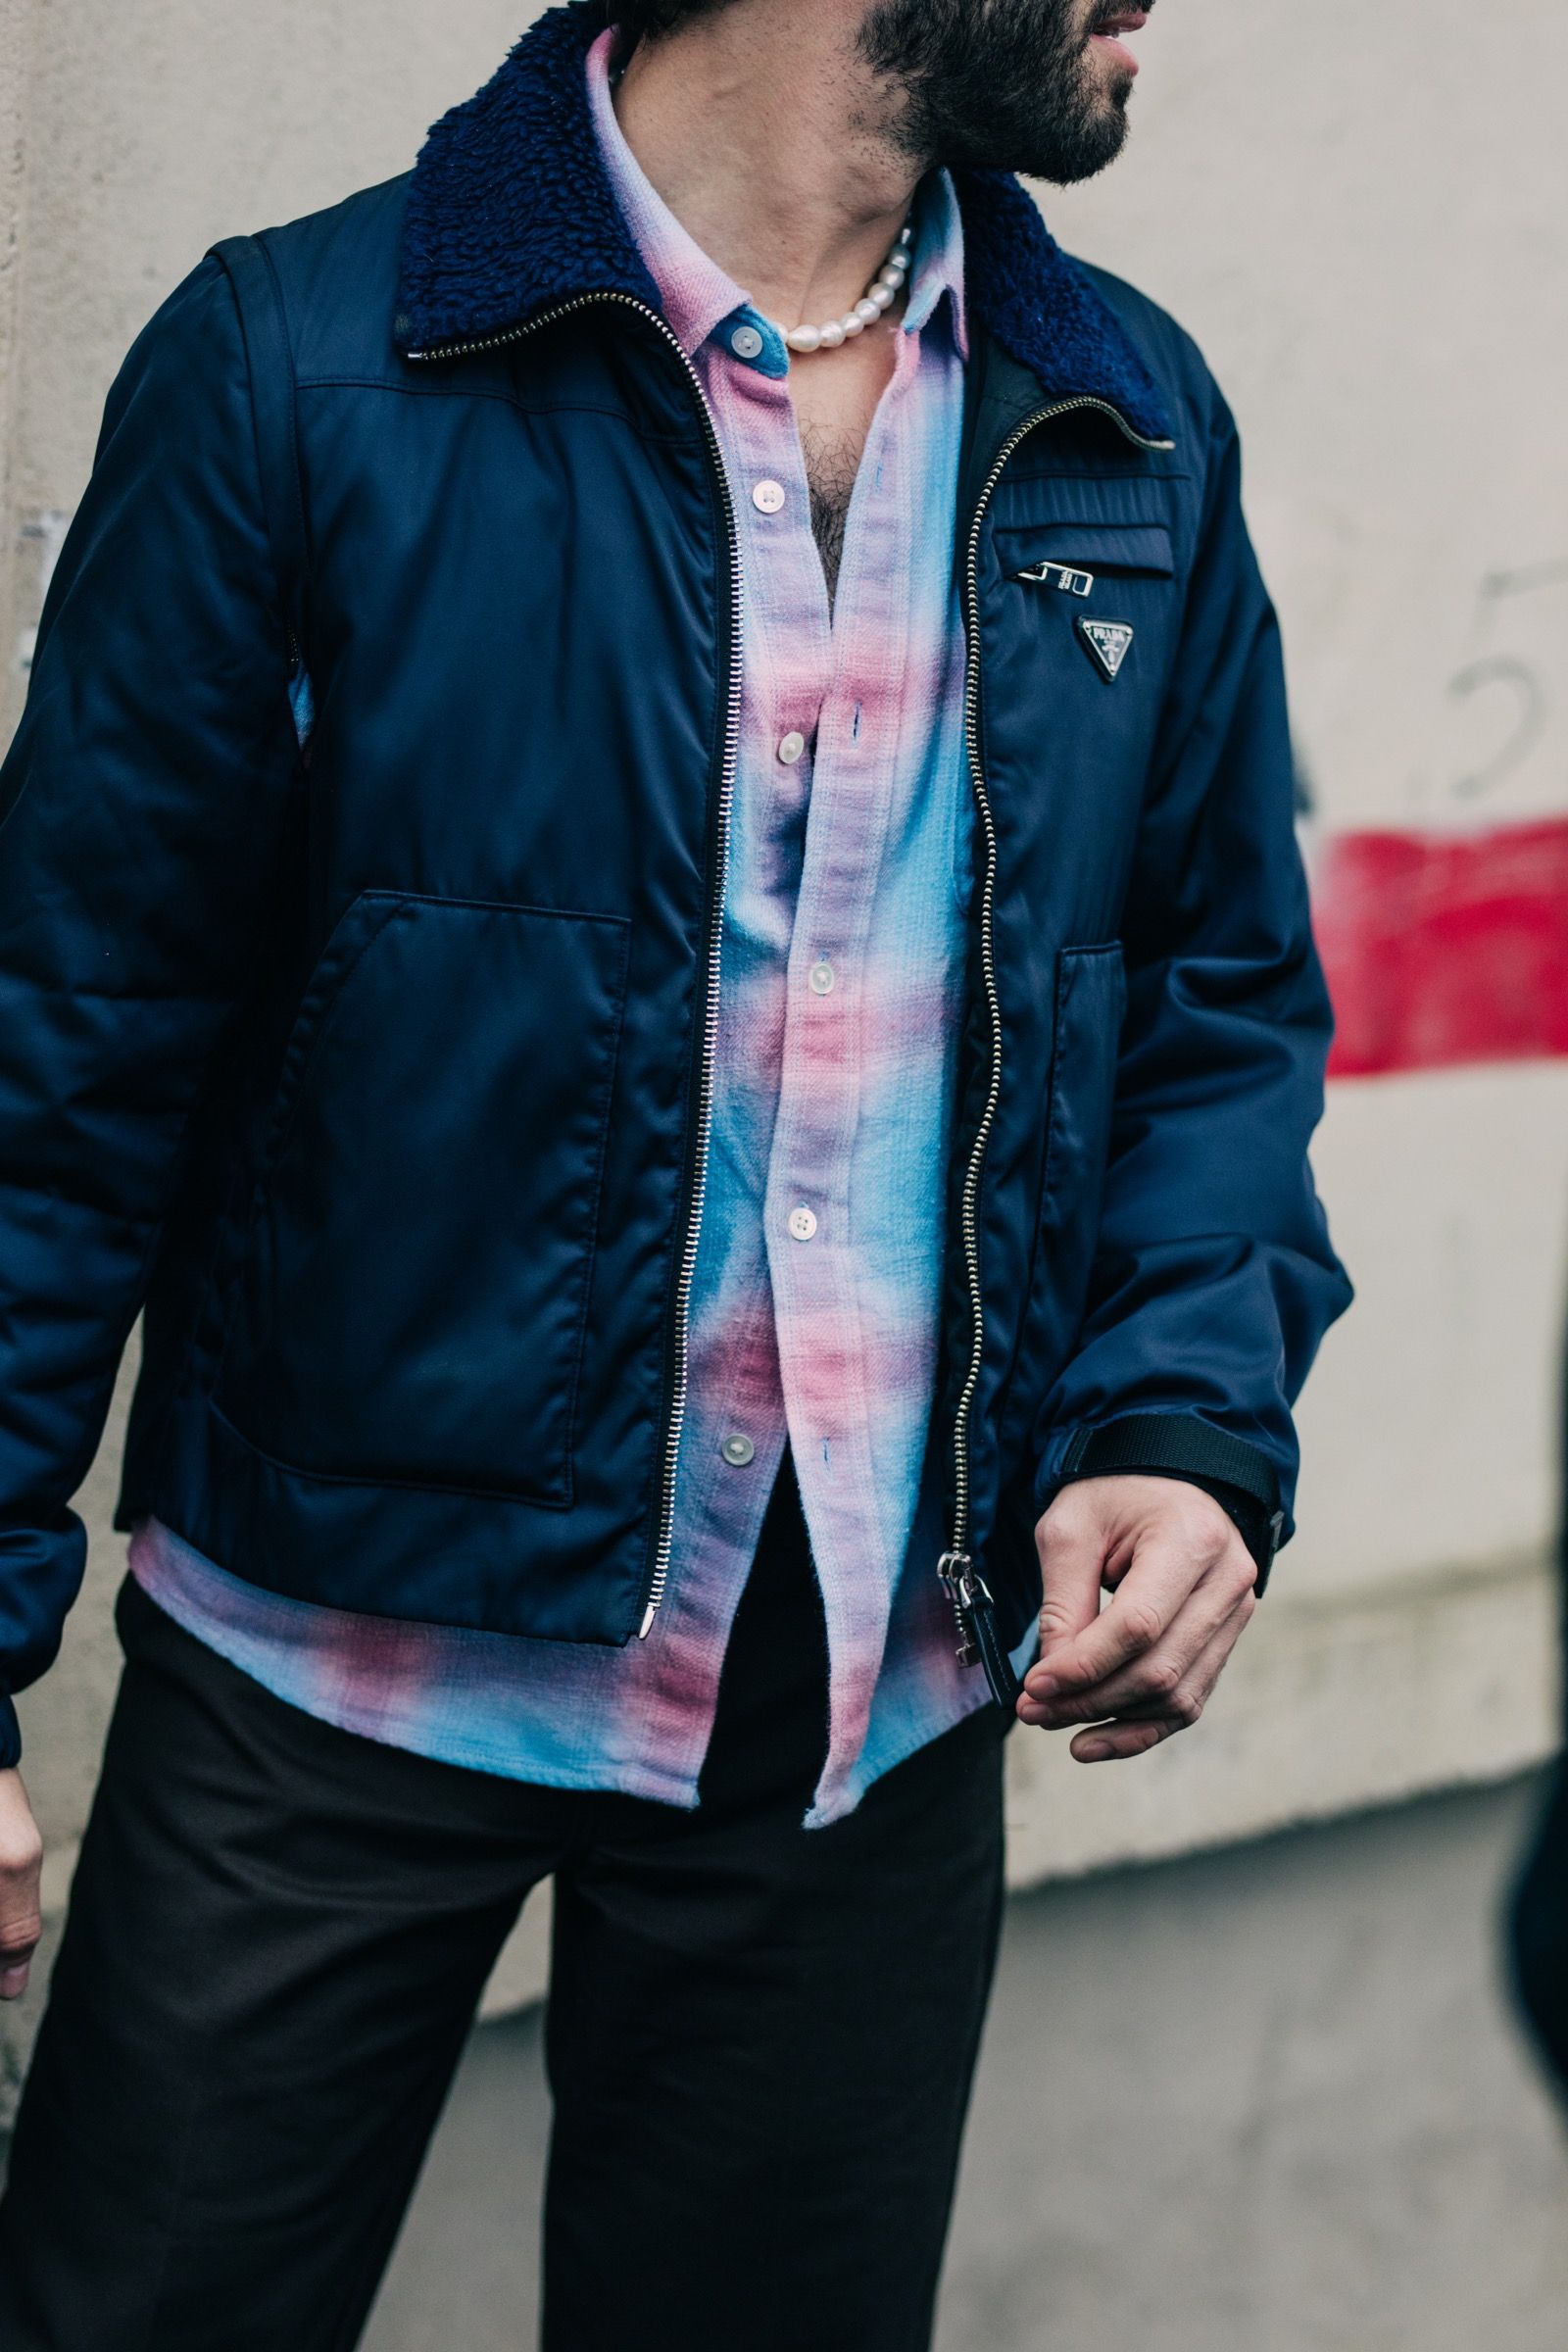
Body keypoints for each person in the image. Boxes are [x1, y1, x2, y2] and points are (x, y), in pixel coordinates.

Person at [0, 1, 1351, 2343]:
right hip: (334, 1668)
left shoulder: (1125, 411)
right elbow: (59, 1054)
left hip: (871, 1705)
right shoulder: (293, 364)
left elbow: (1211, 993)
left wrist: (1177, 1422)